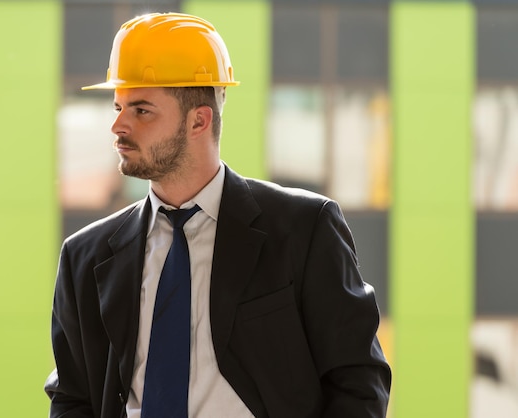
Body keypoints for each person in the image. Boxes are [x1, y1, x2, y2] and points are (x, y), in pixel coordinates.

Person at [44, 12, 391, 418]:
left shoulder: (303, 228)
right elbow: (72, 397)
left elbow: (358, 380)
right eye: (119, 106)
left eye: (141, 110)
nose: (118, 125)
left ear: (198, 120)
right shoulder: (84, 257)